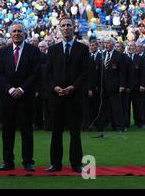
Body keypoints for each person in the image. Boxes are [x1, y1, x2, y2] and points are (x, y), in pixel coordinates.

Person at [45, 17, 89, 173]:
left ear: (73, 27)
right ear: (59, 28)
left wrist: (73, 87)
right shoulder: (52, 49)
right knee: (56, 132)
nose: (66, 28)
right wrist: (54, 87)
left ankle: (76, 164)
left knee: (75, 133)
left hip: (74, 97)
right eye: (63, 25)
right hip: (56, 98)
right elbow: (47, 73)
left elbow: (85, 73)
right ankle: (55, 163)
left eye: (68, 25)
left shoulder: (83, 49)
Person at [0, 23, 40, 172]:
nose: (16, 33)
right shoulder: (4, 52)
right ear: (10, 34)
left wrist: (21, 89)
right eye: (14, 31)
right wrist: (10, 89)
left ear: (24, 33)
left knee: (27, 131)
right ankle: (8, 161)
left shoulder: (33, 51)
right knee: (7, 131)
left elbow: (35, 73)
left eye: (19, 31)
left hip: (26, 98)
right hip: (8, 98)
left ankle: (28, 161)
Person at [97, 37, 126, 135]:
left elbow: (122, 72)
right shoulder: (102, 55)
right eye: (105, 43)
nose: (106, 45)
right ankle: (102, 125)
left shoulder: (119, 55)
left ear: (113, 44)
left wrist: (122, 85)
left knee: (116, 107)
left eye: (108, 43)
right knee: (103, 107)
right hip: (103, 86)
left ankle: (119, 126)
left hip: (114, 86)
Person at [87, 39, 102, 130]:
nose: (92, 47)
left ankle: (98, 124)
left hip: (99, 87)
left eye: (94, 45)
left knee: (98, 107)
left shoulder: (101, 57)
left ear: (97, 46)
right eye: (91, 45)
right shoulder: (87, 57)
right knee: (90, 107)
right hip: (89, 87)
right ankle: (90, 123)